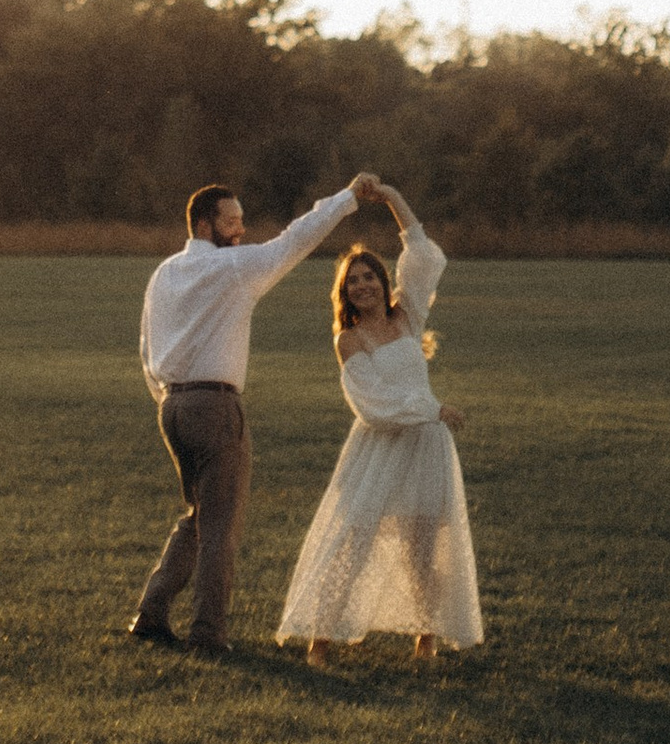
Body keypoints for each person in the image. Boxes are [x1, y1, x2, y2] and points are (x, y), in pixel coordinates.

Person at [128, 168, 383, 655]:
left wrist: (166, 399)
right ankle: (208, 635)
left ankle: (151, 613)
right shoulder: (233, 268)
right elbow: (297, 238)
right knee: (220, 527)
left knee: (198, 516)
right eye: (232, 221)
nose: (241, 230)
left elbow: (146, 345)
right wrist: (348, 197)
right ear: (204, 225)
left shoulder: (164, 273)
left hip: (172, 408)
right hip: (214, 407)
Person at [277, 177, 482, 666]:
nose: (363, 285)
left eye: (370, 277)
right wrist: (433, 409)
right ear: (344, 293)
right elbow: (372, 404)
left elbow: (423, 255)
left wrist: (390, 197)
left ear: (383, 282)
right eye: (353, 281)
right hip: (378, 448)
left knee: (423, 546)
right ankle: (320, 641)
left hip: (426, 446)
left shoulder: (407, 316)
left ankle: (426, 638)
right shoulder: (349, 340)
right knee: (353, 541)